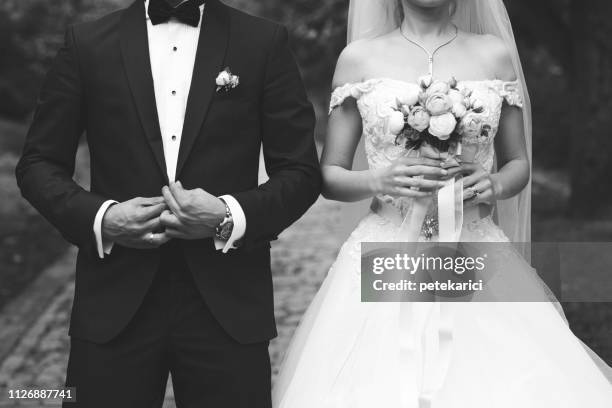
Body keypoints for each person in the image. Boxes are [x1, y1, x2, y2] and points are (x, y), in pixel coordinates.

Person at [273, 0, 612, 406]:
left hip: (475, 246)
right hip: (386, 247)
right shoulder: (358, 59)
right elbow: (329, 175)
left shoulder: (493, 55)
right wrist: (378, 178)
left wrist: (496, 185)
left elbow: (518, 162)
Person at [15, 0, 321, 406]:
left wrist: (227, 215)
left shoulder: (262, 41)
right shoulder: (87, 44)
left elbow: (301, 173)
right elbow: (38, 163)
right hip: (114, 303)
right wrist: (103, 219)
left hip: (228, 305)